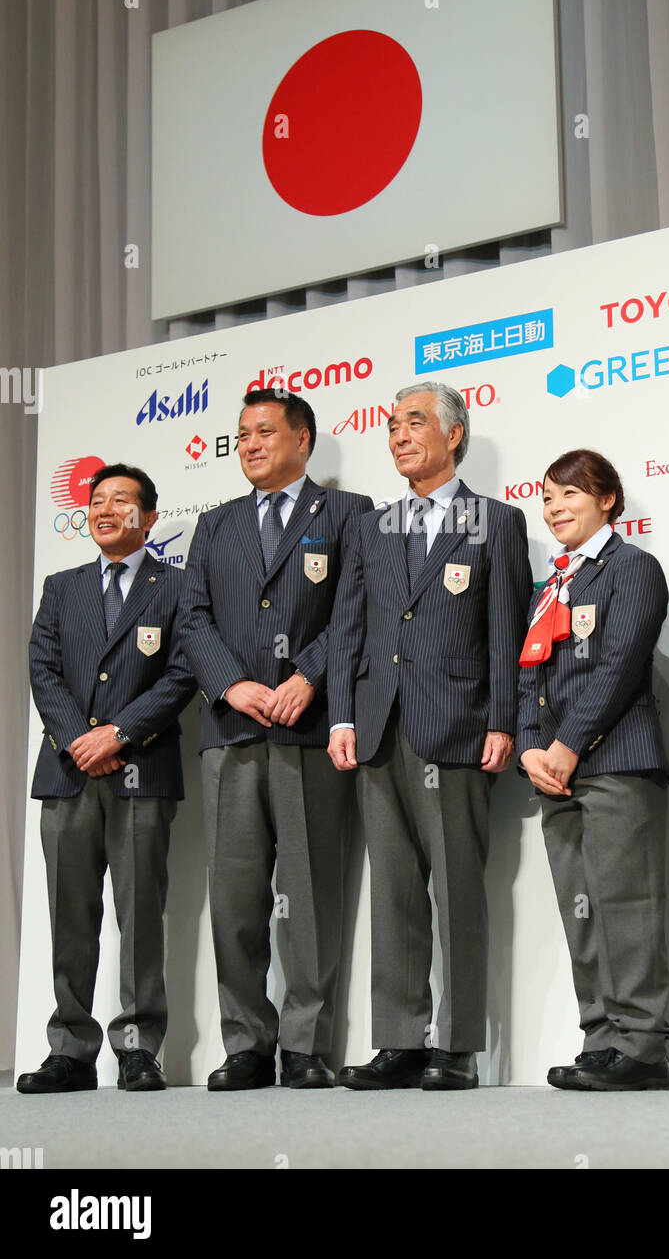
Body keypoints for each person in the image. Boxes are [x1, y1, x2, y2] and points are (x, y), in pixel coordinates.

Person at [328, 381, 532, 1090]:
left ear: (454, 435)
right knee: (394, 894)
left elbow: (507, 631)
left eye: (413, 422)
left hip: (459, 727)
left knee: (458, 890)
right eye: (390, 426)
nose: (398, 436)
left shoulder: (495, 523)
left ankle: (458, 1044)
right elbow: (347, 628)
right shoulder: (369, 529)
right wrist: (343, 715)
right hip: (380, 727)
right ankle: (398, 1040)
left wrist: (504, 719)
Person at [179, 388, 372, 1090]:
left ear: (302, 440)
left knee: (310, 891)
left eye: (264, 432)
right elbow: (192, 618)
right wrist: (233, 685)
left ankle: (307, 1044)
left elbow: (355, 611)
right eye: (241, 436)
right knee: (234, 895)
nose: (251, 444)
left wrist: (308, 677)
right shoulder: (215, 524)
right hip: (230, 731)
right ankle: (246, 1044)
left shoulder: (349, 514)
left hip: (311, 728)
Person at [17, 465, 196, 1094]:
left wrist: (118, 734)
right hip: (68, 773)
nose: (105, 509)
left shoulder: (175, 586)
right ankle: (70, 1049)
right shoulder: (60, 587)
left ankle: (139, 1047)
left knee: (141, 914)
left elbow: (182, 675)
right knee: (71, 916)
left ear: (148, 518)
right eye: (97, 501)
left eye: (122, 501)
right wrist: (80, 739)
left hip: (141, 769)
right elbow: (43, 670)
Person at [517, 449, 669, 1090]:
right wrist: (532, 744)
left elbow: (618, 666)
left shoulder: (633, 568)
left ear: (606, 499)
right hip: (554, 771)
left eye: (569, 494)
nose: (555, 507)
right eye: (547, 497)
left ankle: (642, 1048)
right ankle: (602, 1039)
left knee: (626, 906)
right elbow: (527, 672)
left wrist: (568, 743)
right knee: (580, 910)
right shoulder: (548, 585)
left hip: (615, 762)